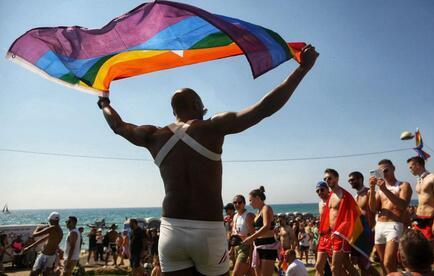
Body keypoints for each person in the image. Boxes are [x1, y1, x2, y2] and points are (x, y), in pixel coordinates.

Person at [97, 44, 318, 275]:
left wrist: (104, 102)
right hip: (208, 232)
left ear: (174, 111)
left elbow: (118, 127)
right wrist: (302, 69)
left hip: (172, 230)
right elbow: (264, 108)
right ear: (197, 106)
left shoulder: (154, 136)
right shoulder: (212, 126)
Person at [369, 159, 412, 274]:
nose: (384, 174)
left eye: (386, 170)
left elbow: (403, 205)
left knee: (389, 262)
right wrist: (373, 189)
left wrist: (384, 189)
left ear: (393, 168)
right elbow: (373, 208)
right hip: (380, 226)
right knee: (383, 263)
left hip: (394, 225)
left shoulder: (403, 185)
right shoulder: (379, 190)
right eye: (380, 172)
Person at [318, 169, 359, 276]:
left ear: (337, 178)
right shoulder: (330, 195)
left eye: (329, 178)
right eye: (325, 179)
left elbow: (354, 215)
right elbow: (327, 216)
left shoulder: (345, 195)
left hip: (340, 235)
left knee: (335, 267)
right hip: (329, 235)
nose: (327, 180)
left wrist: (342, 232)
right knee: (344, 265)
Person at [348, 171, 379, 276]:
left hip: (368, 232)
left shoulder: (369, 192)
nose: (350, 182)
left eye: (352, 180)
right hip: (358, 234)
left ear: (360, 179)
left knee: (365, 263)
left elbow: (374, 209)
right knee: (361, 264)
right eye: (349, 180)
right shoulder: (355, 196)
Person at [242, 186, 279, 276]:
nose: (250, 203)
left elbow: (266, 226)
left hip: (268, 246)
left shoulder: (266, 208)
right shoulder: (258, 212)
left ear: (257, 198)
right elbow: (256, 230)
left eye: (250, 200)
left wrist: (252, 237)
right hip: (258, 246)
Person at [25, 212, 63, 276]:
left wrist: (38, 227)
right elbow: (43, 239)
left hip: (45, 255)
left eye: (49, 220)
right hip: (50, 255)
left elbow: (34, 235)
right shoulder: (59, 230)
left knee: (34, 273)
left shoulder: (53, 228)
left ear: (52, 220)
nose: (49, 222)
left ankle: (55, 273)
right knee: (45, 273)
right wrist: (30, 247)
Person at [230, 194, 255, 276]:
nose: (237, 204)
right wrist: (231, 249)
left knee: (235, 274)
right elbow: (234, 234)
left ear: (244, 203)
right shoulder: (235, 216)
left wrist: (251, 256)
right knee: (249, 274)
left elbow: (254, 237)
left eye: (239, 202)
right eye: (235, 202)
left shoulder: (249, 216)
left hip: (246, 248)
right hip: (237, 247)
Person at [314, 181, 332, 276]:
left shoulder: (333, 199)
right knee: (318, 266)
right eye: (317, 191)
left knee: (337, 266)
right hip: (323, 236)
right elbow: (322, 219)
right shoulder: (320, 203)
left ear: (327, 189)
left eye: (322, 190)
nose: (320, 192)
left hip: (333, 236)